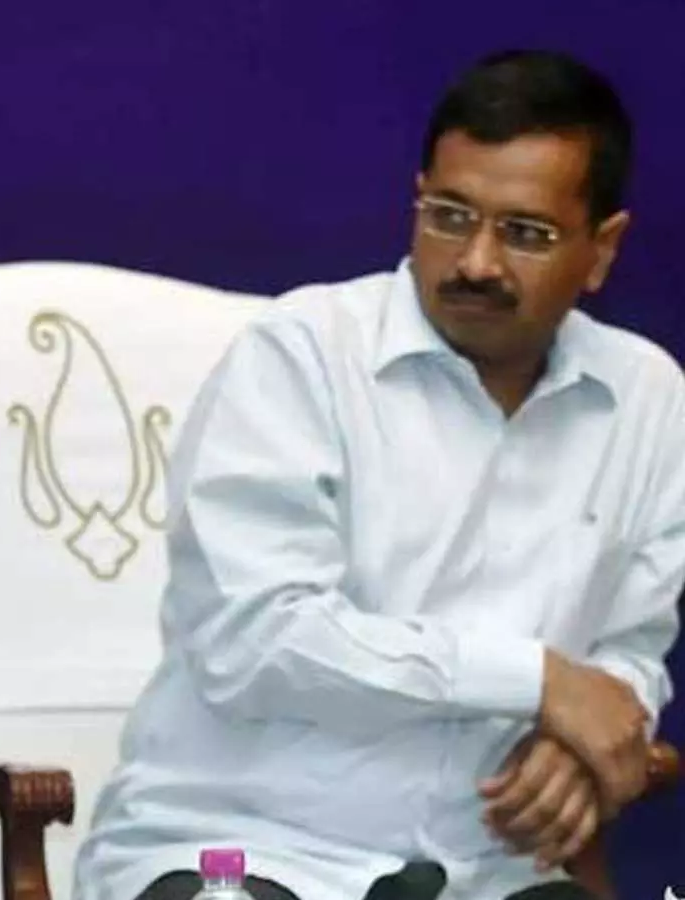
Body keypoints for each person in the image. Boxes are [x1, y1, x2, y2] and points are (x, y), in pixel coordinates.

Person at [73, 50, 684, 900]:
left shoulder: (648, 398)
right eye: (449, 216)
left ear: (602, 250)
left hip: (489, 867)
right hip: (250, 851)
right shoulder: (302, 358)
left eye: (525, 233)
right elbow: (257, 640)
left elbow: (630, 646)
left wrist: (585, 740)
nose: (476, 262)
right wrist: (540, 683)